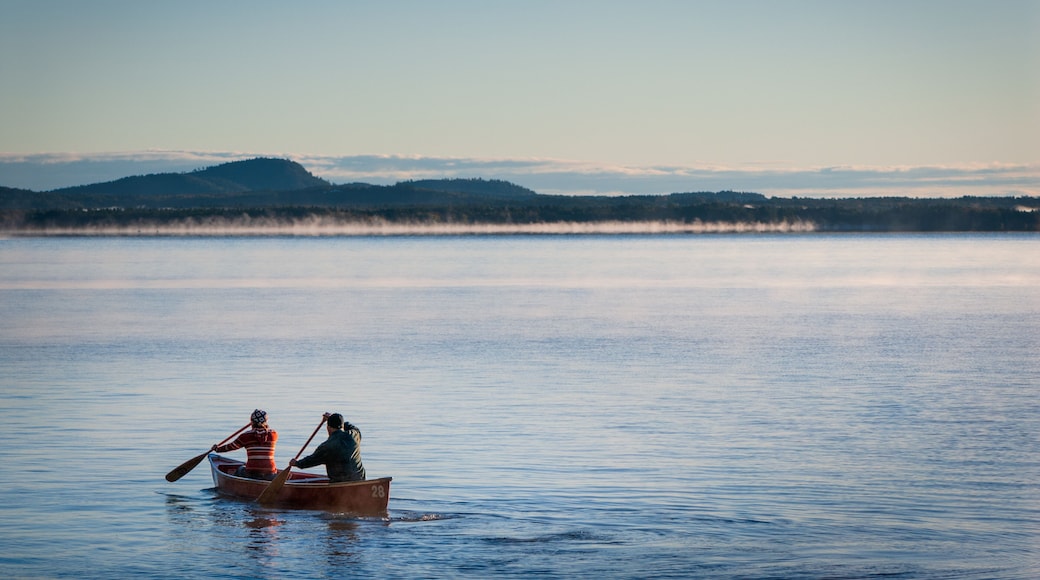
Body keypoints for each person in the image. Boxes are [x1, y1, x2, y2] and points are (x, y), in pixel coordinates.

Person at [290, 412, 366, 482]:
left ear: (328, 428)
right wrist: (335, 420)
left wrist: (296, 463)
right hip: (360, 479)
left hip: (340, 483)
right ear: (342, 425)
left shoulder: (327, 447)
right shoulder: (355, 435)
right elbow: (352, 427)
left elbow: (310, 461)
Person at [212, 409, 279, 480]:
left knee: (240, 469)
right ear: (266, 421)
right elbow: (264, 432)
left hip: (252, 472)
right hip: (271, 473)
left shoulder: (246, 436)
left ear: (252, 422)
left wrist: (217, 449)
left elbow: (231, 446)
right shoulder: (274, 434)